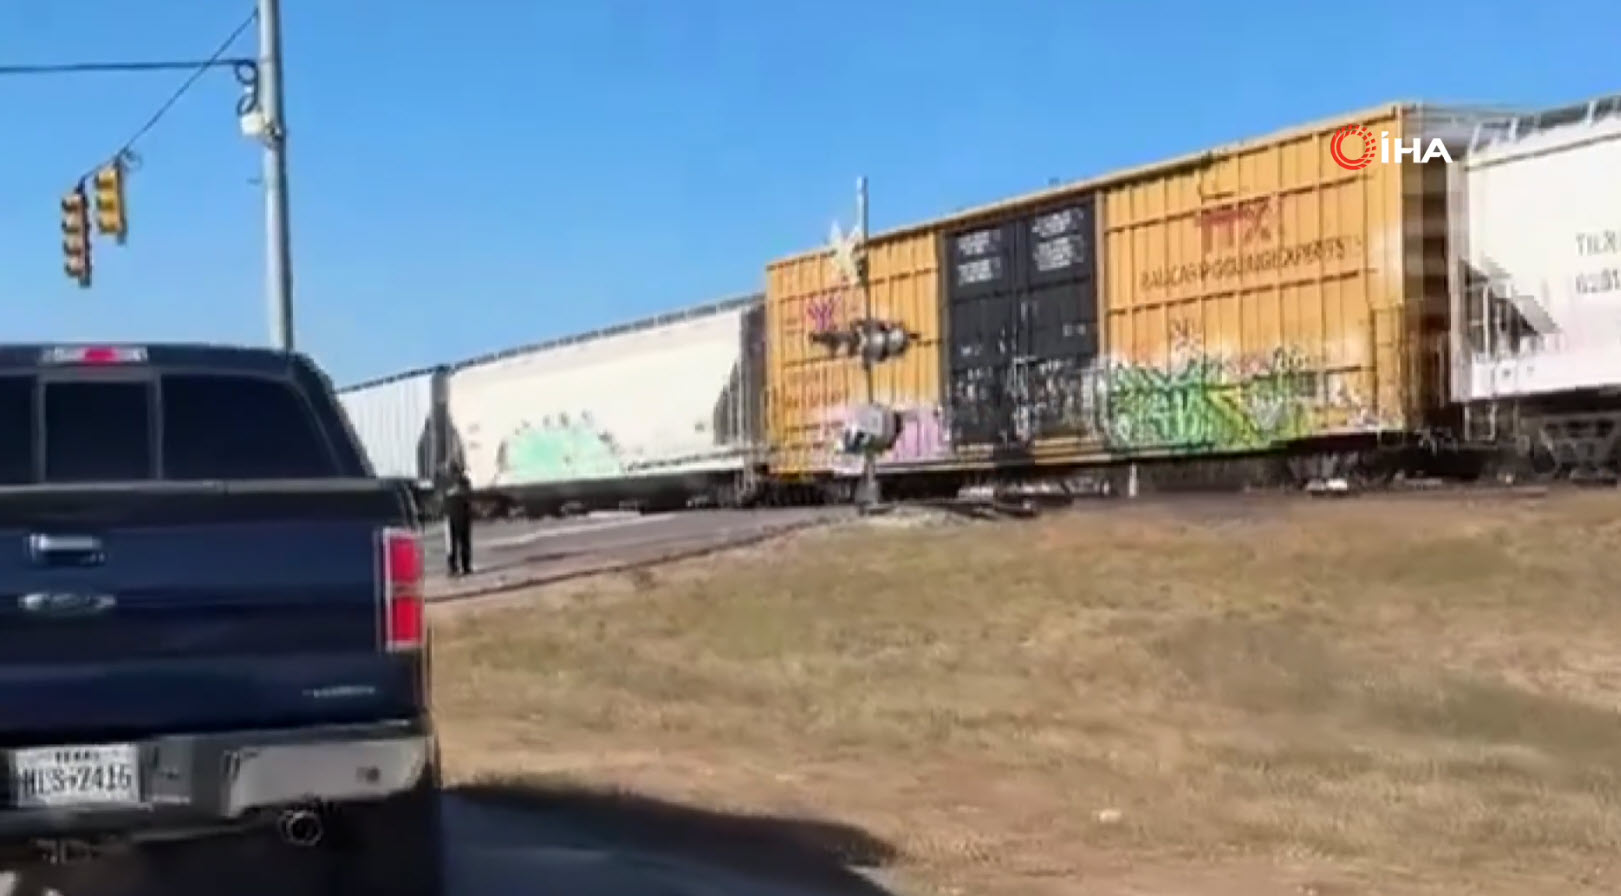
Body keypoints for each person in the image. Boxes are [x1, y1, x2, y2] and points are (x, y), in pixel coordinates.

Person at [441, 460, 474, 577]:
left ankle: (466, 566)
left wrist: (458, 489)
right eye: (451, 470)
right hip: (450, 515)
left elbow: (468, 493)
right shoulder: (445, 481)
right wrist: (455, 490)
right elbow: (442, 494)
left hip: (463, 515)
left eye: (454, 470)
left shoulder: (464, 481)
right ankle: (452, 567)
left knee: (464, 542)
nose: (453, 473)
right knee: (451, 544)